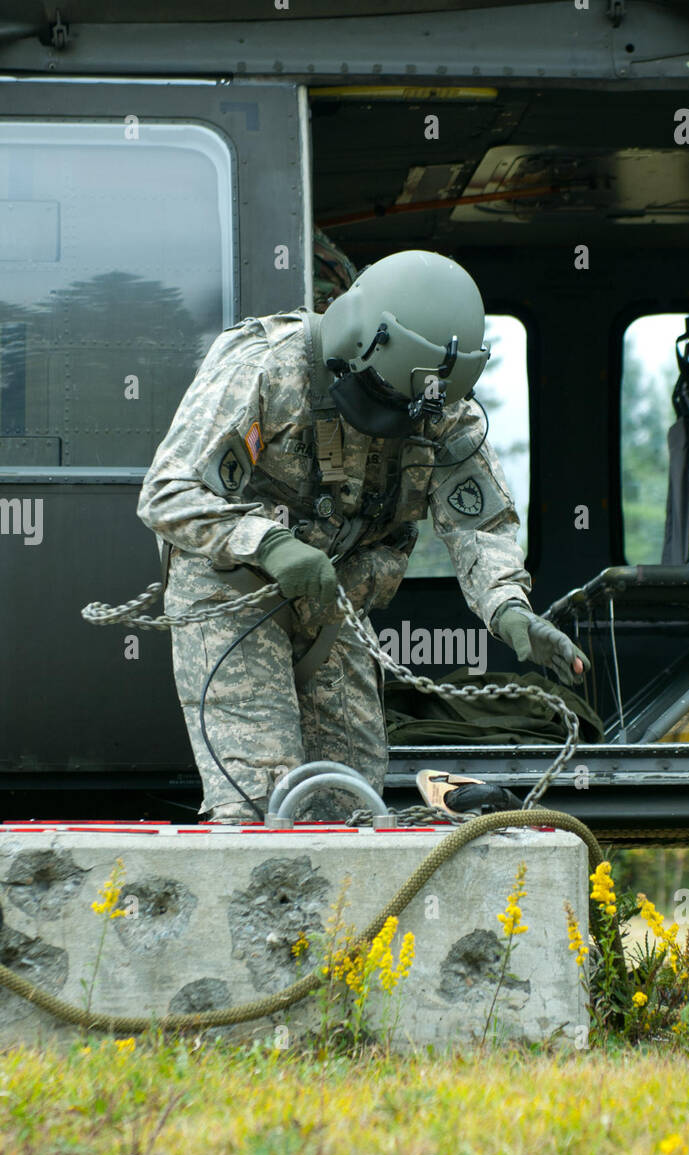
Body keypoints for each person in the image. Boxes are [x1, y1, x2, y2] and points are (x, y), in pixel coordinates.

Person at [137, 248, 587, 822]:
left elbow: (479, 525)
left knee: (351, 804)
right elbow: (170, 492)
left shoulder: (443, 407)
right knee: (261, 801)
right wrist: (270, 544)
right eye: (385, 398)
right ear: (357, 344)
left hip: (334, 604)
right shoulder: (266, 368)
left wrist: (509, 610)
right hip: (232, 592)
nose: (400, 418)